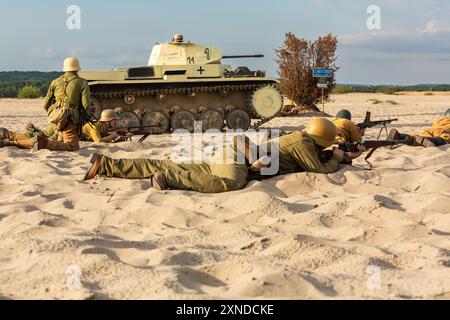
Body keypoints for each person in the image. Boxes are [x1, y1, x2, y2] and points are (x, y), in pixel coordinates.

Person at [83, 118, 361, 193]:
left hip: (231, 153)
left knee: (166, 160)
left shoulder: (302, 138)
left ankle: (106, 164)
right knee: (230, 184)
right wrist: (338, 157)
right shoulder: (303, 143)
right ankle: (167, 178)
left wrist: (340, 155)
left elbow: (310, 160)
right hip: (239, 159)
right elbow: (321, 171)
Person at [33, 57, 91, 151]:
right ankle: (43, 143)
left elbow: (45, 104)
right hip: (70, 118)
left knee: (60, 141)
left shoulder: (55, 82)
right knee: (73, 146)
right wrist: (84, 116)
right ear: (77, 68)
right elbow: (86, 105)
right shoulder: (82, 82)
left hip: (56, 116)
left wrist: (54, 114)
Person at [0, 110, 126, 149]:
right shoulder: (93, 127)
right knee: (39, 138)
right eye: (114, 120)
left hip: (61, 127)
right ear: (107, 121)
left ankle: (8, 136)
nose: (116, 122)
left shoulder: (99, 126)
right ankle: (7, 136)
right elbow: (98, 141)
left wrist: (120, 136)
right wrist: (112, 137)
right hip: (60, 130)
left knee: (39, 136)